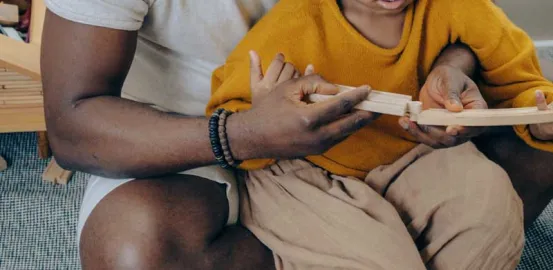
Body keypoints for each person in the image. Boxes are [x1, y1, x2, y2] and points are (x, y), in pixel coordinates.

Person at [39, 0, 551, 269]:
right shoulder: (296, 22)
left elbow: (478, 31)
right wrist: (247, 135)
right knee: (135, 248)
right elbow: (73, 121)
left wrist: (448, 60)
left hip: (384, 130)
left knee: (493, 202)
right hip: (205, 133)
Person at [206, 0, 553, 268]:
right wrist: (264, 112)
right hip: (304, 171)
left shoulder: (464, 9)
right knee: (377, 261)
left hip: (413, 153)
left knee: (489, 208)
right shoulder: (293, 23)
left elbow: (523, 84)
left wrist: (540, 119)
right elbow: (234, 116)